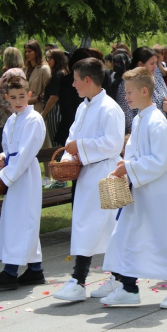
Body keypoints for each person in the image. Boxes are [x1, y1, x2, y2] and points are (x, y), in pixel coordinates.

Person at [99, 67, 167, 309]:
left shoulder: (157, 121)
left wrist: (129, 167)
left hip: (158, 190)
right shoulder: (139, 118)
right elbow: (135, 154)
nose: (126, 97)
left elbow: (162, 159)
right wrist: (125, 165)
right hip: (141, 188)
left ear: (145, 91)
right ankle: (128, 287)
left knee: (163, 236)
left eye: (129, 92)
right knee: (127, 235)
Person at [53, 58, 125, 301]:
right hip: (86, 174)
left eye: (75, 80)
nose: (72, 85)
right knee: (88, 225)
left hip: (106, 174)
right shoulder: (83, 107)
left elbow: (114, 143)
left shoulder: (110, 107)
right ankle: (109, 279)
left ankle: (82, 279)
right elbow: (71, 139)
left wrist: (79, 146)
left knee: (106, 227)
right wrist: (66, 160)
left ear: (87, 80)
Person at [0, 76, 46, 289]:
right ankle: (35, 270)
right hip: (14, 173)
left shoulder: (33, 119)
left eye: (21, 96)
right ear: (7, 99)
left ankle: (10, 272)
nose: (18, 101)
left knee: (23, 221)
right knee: (17, 220)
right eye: (13, 98)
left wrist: (5, 173)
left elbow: (26, 152)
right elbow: (9, 149)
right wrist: (3, 158)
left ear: (29, 95)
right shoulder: (12, 119)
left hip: (25, 175)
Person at [116, 47, 167, 128]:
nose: (155, 67)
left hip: (163, 126)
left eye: (156, 63)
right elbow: (128, 120)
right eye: (152, 64)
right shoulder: (127, 85)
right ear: (140, 64)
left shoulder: (158, 78)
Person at [23, 39, 52, 185]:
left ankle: (48, 176)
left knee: (44, 142)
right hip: (26, 111)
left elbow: (48, 93)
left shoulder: (44, 69)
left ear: (37, 51)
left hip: (39, 109)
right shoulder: (26, 69)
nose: (28, 54)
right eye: (26, 51)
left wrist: (34, 99)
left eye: (30, 51)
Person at [41, 49, 68, 148]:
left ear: (57, 58)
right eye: (47, 58)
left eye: (50, 58)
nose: (48, 60)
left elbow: (54, 97)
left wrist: (43, 113)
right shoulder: (63, 72)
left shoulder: (58, 74)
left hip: (56, 112)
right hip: (62, 110)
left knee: (56, 145)